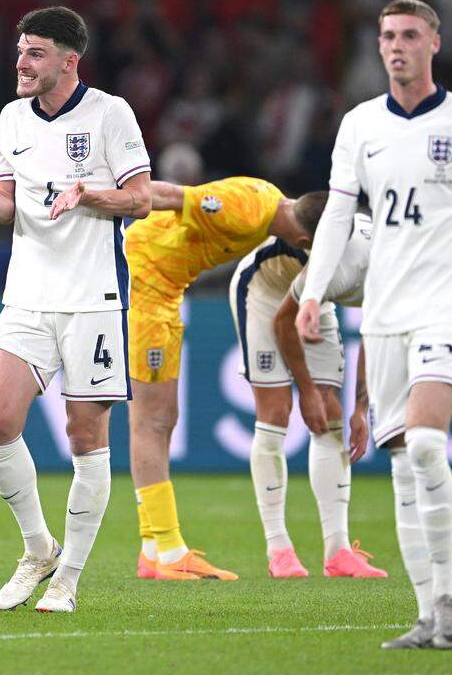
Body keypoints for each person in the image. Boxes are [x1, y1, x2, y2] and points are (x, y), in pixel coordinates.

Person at [295, 0, 452, 650]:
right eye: (387, 36)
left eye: (409, 35)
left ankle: (449, 594)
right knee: (401, 464)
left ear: (435, 43)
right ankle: (429, 616)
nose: (397, 46)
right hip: (384, 313)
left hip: (446, 306)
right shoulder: (360, 125)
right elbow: (338, 215)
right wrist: (315, 292)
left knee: (426, 445)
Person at [0, 6, 152, 613]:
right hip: (27, 296)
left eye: (34, 53)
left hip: (94, 300)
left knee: (87, 440)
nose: (21, 63)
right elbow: (8, 207)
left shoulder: (110, 113)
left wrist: (88, 193)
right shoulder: (10, 120)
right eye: (20, 50)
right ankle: (38, 550)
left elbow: (140, 200)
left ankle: (70, 578)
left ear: (67, 61)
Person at [126, 176, 326, 580]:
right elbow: (169, 195)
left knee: (163, 419)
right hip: (142, 283)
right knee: (152, 419)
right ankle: (169, 549)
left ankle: (153, 551)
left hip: (163, 290)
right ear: (306, 242)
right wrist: (114, 198)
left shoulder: (267, 205)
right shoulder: (248, 209)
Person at [230, 211, 387, 579]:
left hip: (317, 300)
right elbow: (284, 320)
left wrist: (361, 409)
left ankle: (338, 551)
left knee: (332, 414)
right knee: (276, 411)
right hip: (265, 292)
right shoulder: (340, 267)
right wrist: (306, 390)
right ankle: (279, 548)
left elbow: (374, 334)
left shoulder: (392, 264)